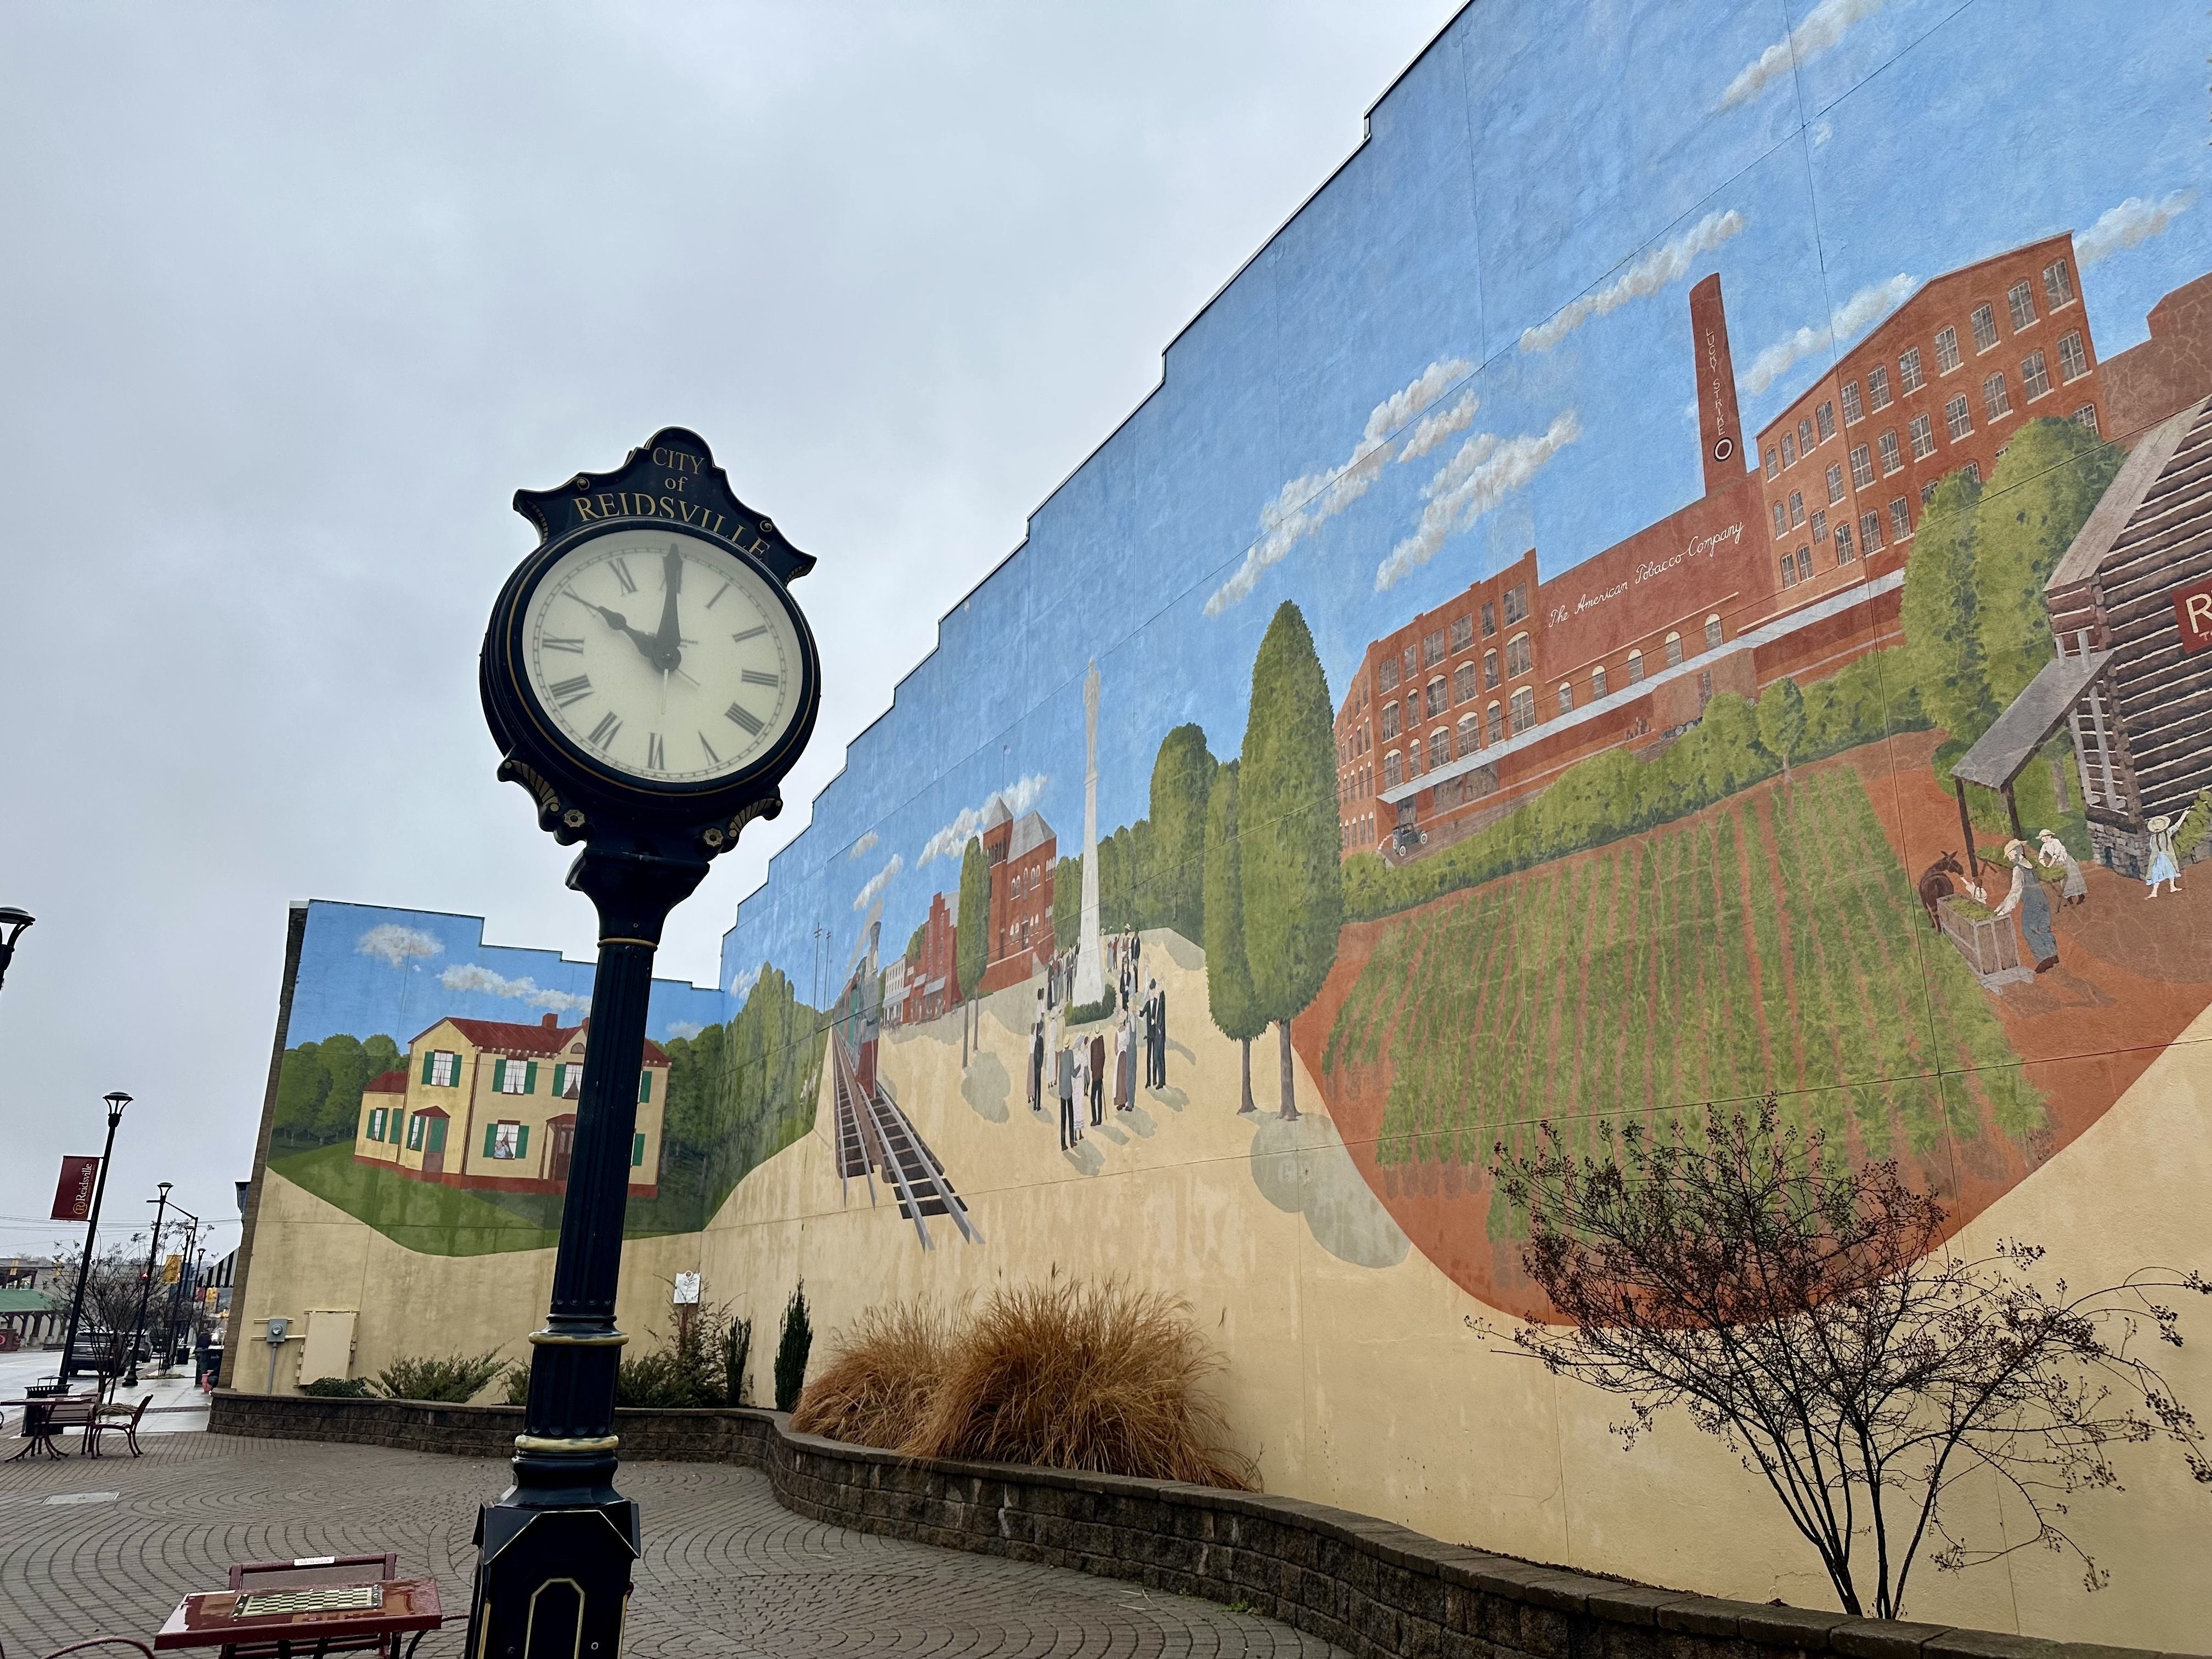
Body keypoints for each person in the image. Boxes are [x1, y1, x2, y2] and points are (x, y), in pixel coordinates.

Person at [1994, 839, 2059, 973]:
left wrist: (2003, 910)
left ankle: (2044, 958)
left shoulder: (2018, 869)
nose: (2010, 858)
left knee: (2028, 930)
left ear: (2017, 852)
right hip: (2043, 900)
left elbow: (2015, 892)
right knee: (2044, 927)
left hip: (2033, 903)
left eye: (2011, 855)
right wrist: (2001, 906)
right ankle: (2053, 954)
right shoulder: (2028, 864)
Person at [2145, 803, 2194, 898]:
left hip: (2162, 857)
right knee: (2160, 873)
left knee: (2166, 872)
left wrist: (2184, 814)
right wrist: (2184, 815)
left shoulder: (2158, 836)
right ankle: (2155, 892)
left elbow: (2152, 847)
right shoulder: (2163, 834)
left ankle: (2169, 888)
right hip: (2162, 857)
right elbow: (2176, 826)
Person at [2036, 828, 2088, 908]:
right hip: (2059, 864)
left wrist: (2050, 865)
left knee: (2072, 878)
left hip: (2067, 861)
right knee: (2063, 881)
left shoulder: (2056, 842)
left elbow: (2056, 855)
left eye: (2045, 836)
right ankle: (2069, 898)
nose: (2043, 839)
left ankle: (2081, 896)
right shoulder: (2045, 846)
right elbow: (2040, 857)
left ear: (2050, 836)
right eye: (2042, 837)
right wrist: (2044, 865)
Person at [1057, 1040, 1078, 1150]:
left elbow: (1060, 1074)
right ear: (1069, 1044)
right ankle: (1071, 1141)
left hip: (1062, 1089)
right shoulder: (1070, 1054)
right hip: (1068, 1090)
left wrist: (1060, 1090)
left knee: (1063, 1118)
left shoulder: (1062, 1055)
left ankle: (1063, 1144)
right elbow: (1073, 1073)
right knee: (1071, 1116)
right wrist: (1080, 1067)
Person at [1088, 1030, 1107, 1125]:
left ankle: (1094, 1119)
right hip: (1100, 1074)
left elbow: (1092, 1061)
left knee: (1093, 1098)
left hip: (1096, 1075)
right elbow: (1104, 1057)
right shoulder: (1101, 1042)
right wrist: (1101, 1070)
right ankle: (1100, 1119)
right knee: (1099, 1097)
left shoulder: (1093, 1044)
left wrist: (1094, 1070)